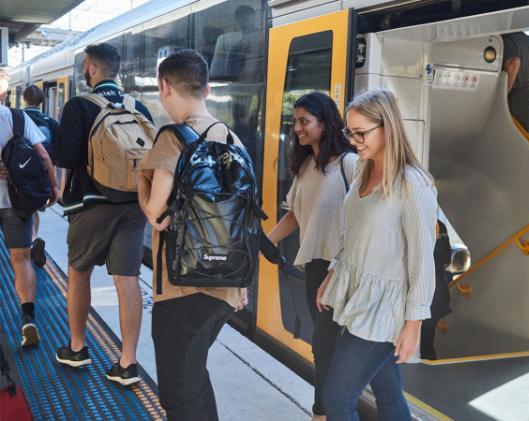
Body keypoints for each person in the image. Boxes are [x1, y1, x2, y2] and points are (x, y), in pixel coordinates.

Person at [136, 49, 247, 420]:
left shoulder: (172, 138)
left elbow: (156, 213)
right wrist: (240, 283)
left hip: (183, 286)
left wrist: (142, 178)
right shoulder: (233, 139)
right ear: (208, 88)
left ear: (165, 86)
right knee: (194, 378)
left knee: (178, 394)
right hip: (226, 288)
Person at [317, 89, 438, 420]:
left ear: (388, 128)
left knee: (337, 399)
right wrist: (334, 272)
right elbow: (352, 232)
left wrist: (413, 324)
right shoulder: (362, 170)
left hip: (386, 308)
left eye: (361, 133)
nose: (354, 141)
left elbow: (422, 259)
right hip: (360, 297)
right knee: (387, 392)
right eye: (349, 132)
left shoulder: (413, 185)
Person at [53, 43, 153, 385]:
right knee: (127, 280)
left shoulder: (79, 105)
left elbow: (64, 158)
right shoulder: (138, 107)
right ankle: (127, 363)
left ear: (92, 69)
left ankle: (78, 348)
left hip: (90, 203)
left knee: (78, 272)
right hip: (133, 205)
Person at [267, 92, 356, 420]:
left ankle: (323, 412)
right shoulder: (306, 165)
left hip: (341, 268)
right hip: (315, 266)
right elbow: (295, 213)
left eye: (304, 122)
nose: (297, 129)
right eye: (295, 123)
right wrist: (266, 242)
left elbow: (365, 219)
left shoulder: (349, 163)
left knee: (324, 346)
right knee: (326, 346)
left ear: (324, 122)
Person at [0, 69, 59, 348]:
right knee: (21, 260)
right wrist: (54, 188)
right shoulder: (16, 117)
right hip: (17, 201)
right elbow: (43, 155)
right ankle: (28, 319)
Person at [22, 85, 59, 268]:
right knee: (35, 208)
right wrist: (55, 184)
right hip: (42, 174)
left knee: (20, 210)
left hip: (19, 172)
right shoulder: (50, 122)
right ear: (42, 100)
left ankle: (29, 241)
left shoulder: (16, 117)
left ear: (24, 98)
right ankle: (34, 238)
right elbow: (55, 151)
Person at [419, 219, 452, 361]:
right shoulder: (440, 225)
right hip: (437, 288)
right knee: (428, 336)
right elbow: (447, 259)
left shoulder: (415, 221)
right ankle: (428, 362)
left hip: (421, 288)